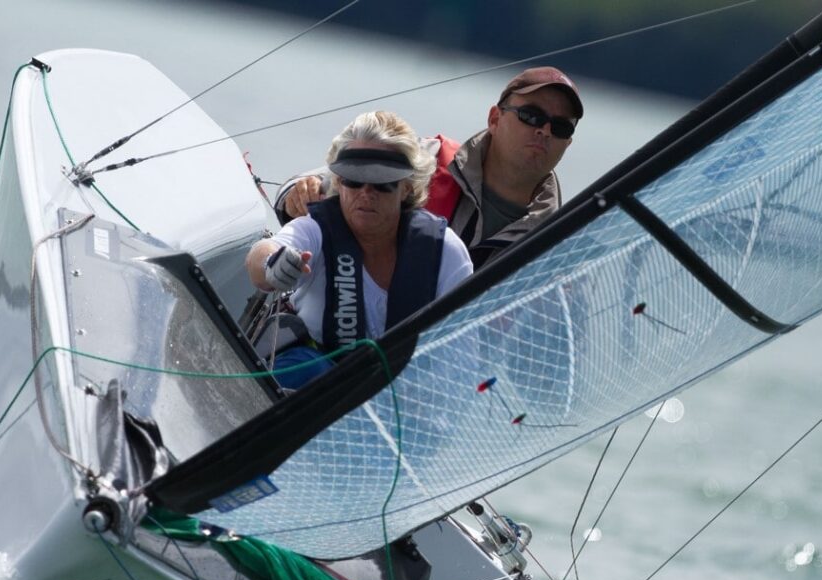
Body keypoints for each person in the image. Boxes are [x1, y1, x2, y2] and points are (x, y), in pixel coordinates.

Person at [247, 111, 474, 388]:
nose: (366, 192)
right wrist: (272, 264)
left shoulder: (445, 252)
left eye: (382, 182)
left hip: (401, 398)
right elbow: (263, 255)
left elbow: (463, 353)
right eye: (353, 180)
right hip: (310, 387)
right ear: (338, 182)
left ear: (407, 188)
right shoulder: (316, 230)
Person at [276, 66, 583, 269]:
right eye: (531, 115)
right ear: (494, 119)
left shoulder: (559, 244)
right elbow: (303, 189)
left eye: (560, 127)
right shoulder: (423, 158)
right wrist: (302, 192)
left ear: (568, 144)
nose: (544, 130)